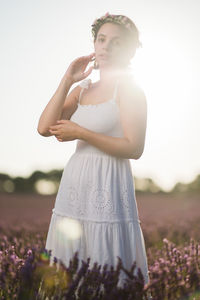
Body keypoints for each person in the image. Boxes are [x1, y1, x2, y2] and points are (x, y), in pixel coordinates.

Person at [37, 12, 150, 291]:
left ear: (129, 50)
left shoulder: (130, 90)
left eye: (116, 42)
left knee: (107, 263)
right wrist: (67, 79)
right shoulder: (82, 89)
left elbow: (134, 147)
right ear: (94, 44)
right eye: (101, 39)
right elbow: (44, 128)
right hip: (77, 184)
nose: (106, 47)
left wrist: (81, 133)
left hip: (108, 183)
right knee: (69, 262)